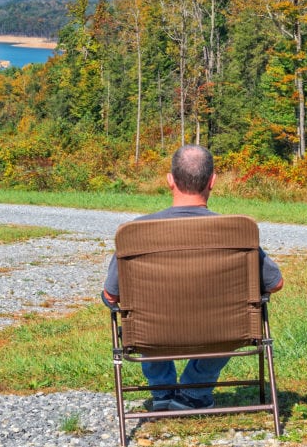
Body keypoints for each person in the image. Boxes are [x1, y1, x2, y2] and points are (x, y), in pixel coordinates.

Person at [102, 144, 284, 412]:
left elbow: (112, 295)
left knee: (139, 309)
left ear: (170, 180)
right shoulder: (236, 231)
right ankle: (195, 390)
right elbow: (275, 283)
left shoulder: (136, 232)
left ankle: (162, 390)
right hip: (222, 330)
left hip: (153, 332)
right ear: (213, 181)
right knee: (236, 316)